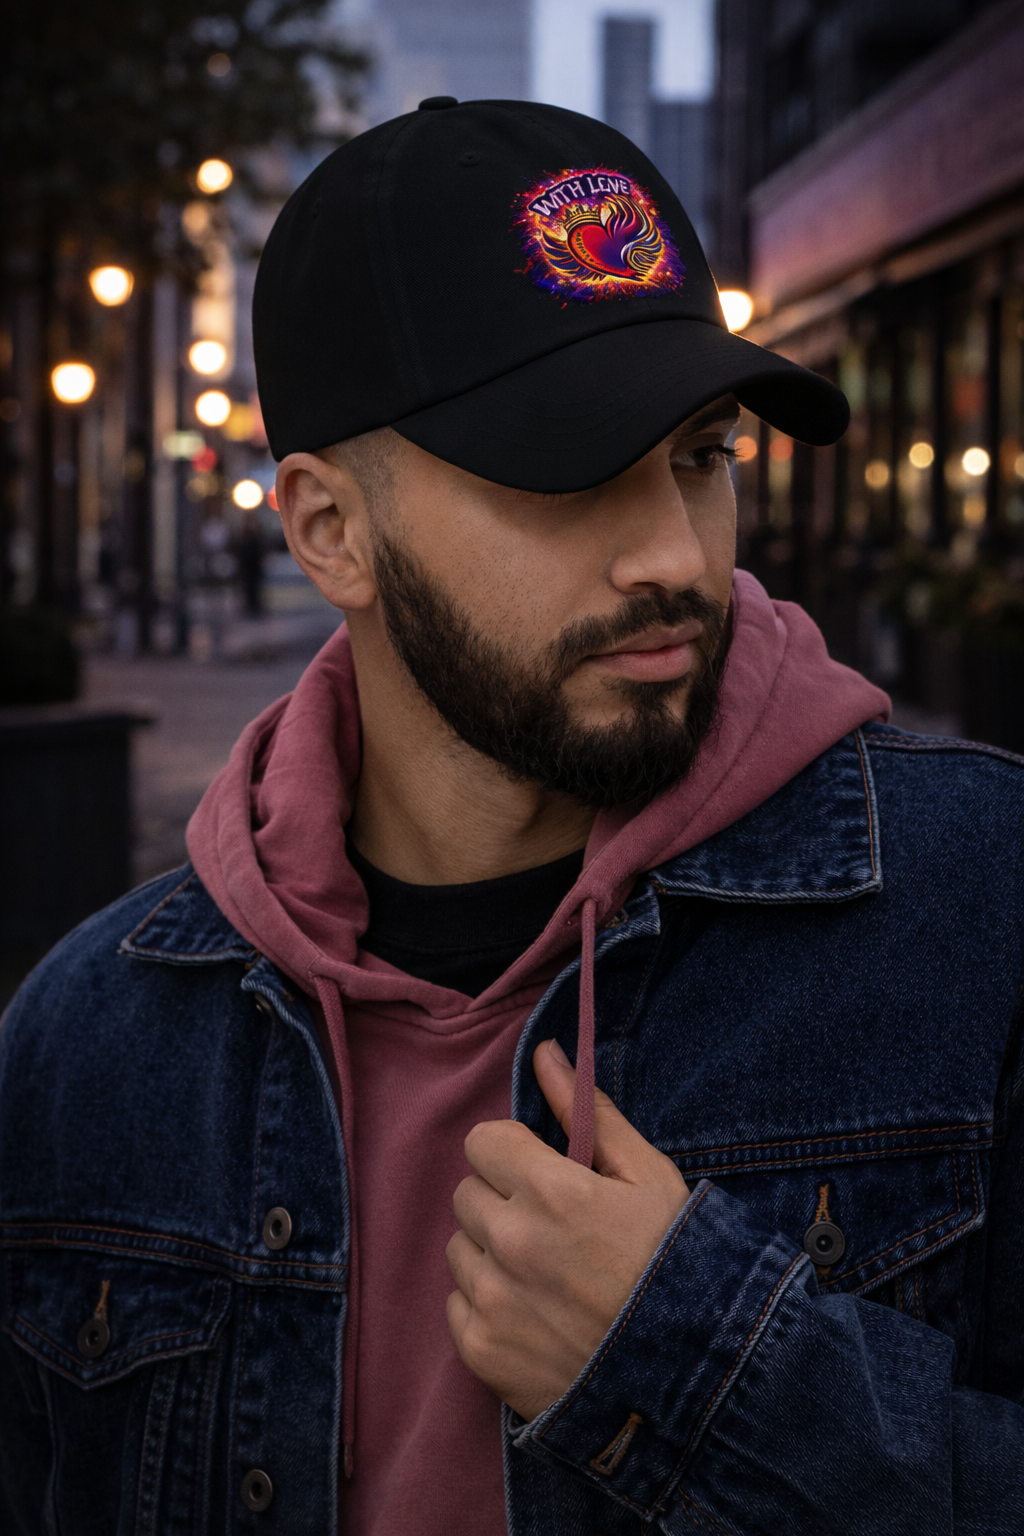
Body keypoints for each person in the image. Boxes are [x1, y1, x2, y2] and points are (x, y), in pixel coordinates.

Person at [1, 98, 1021, 1536]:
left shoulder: (983, 917)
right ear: (327, 530)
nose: (676, 557)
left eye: (702, 455)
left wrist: (706, 1370)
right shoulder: (86, 1051)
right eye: (568, 470)